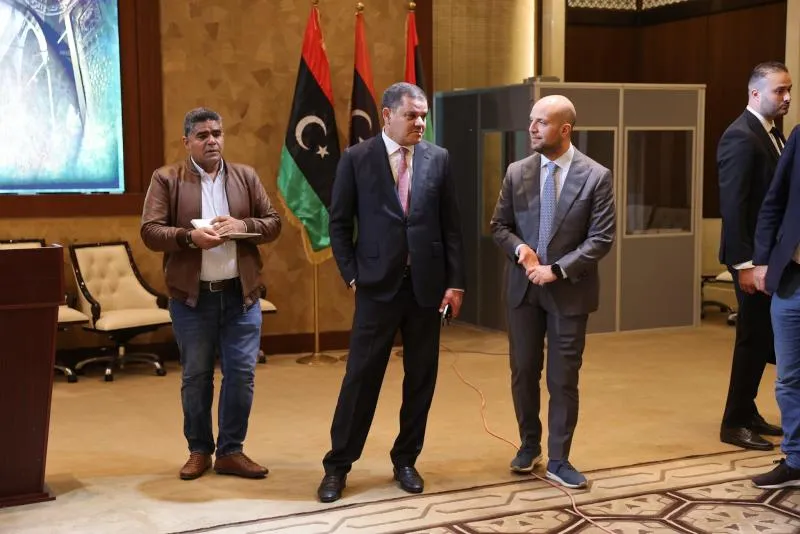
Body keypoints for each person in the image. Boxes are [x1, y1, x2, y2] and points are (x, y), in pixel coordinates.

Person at [318, 82, 466, 503]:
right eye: (411, 115)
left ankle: (406, 460)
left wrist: (455, 283)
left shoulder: (438, 158)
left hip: (426, 288)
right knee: (361, 378)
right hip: (376, 287)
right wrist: (352, 275)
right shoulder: (356, 158)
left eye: (423, 116)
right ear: (387, 115)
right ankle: (338, 466)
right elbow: (339, 224)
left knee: (421, 379)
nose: (420, 122)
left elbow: (451, 227)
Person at [141, 107, 281, 480]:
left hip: (241, 297)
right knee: (196, 377)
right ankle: (199, 450)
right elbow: (150, 231)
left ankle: (231, 451)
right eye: (202, 135)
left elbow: (273, 223)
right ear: (187, 141)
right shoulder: (166, 179)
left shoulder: (245, 177)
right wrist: (189, 237)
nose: (212, 141)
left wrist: (242, 225)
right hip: (192, 299)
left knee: (241, 375)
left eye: (217, 133)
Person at [490, 94, 615, 489]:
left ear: (564, 129)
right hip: (523, 290)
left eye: (541, 122)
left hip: (569, 291)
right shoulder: (517, 172)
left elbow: (601, 238)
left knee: (562, 379)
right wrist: (520, 250)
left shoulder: (596, 176)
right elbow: (499, 226)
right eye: (532, 120)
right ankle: (529, 445)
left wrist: (557, 269)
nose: (532, 128)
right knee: (523, 371)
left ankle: (560, 459)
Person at [717, 61, 791, 451]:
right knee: (752, 337)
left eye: (789, 90)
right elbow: (734, 206)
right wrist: (745, 265)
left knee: (761, 337)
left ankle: (747, 411)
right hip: (751, 260)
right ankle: (734, 422)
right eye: (780, 90)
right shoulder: (740, 136)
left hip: (770, 257)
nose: (787, 97)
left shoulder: (772, 133)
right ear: (755, 93)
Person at [752, 123, 800, 488]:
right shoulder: (799, 137)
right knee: (789, 378)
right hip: (792, 279)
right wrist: (762, 260)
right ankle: (796, 459)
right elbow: (775, 200)